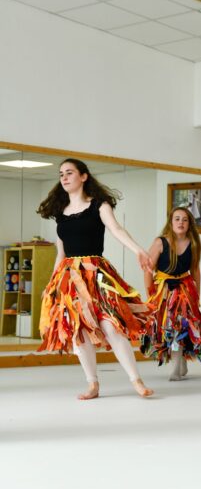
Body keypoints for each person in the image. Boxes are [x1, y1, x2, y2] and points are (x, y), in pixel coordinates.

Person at [37, 158, 154, 400]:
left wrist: (138, 250)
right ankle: (93, 384)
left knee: (111, 326)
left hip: (96, 274)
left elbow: (116, 230)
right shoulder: (60, 214)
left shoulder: (98, 206)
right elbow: (61, 253)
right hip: (69, 277)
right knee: (79, 329)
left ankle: (137, 380)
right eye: (61, 174)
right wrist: (51, 285)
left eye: (69, 173)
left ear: (83, 176)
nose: (65, 177)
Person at [143, 207, 201, 380]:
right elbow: (148, 269)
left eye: (185, 220)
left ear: (189, 224)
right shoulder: (160, 242)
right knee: (168, 327)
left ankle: (178, 365)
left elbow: (195, 270)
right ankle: (177, 364)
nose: (181, 222)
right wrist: (150, 294)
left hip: (184, 290)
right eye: (177, 219)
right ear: (171, 222)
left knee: (181, 326)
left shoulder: (193, 243)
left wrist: (197, 295)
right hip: (164, 290)